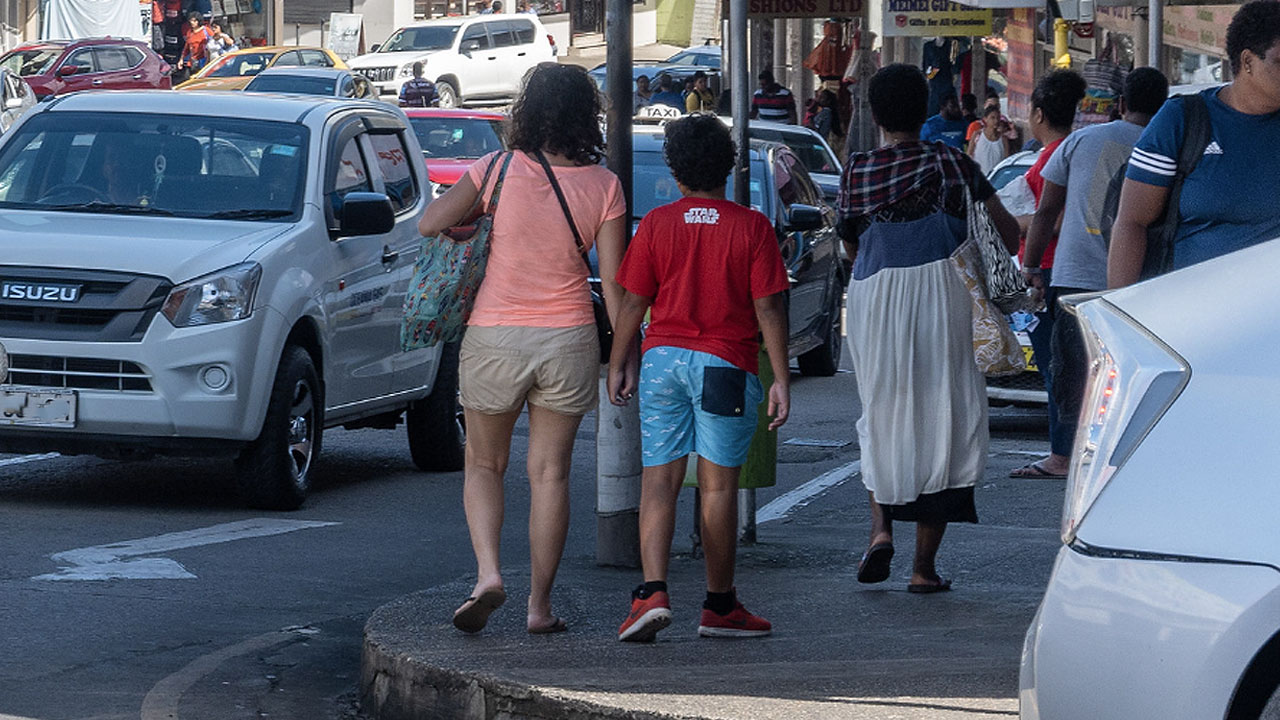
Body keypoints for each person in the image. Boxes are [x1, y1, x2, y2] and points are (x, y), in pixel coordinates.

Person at [416, 63, 627, 635]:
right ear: (588, 116)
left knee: (484, 464)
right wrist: (624, 357)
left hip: (496, 337)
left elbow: (429, 223)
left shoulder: (496, 170)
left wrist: (474, 222)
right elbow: (613, 288)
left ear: (527, 112)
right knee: (550, 474)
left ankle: (488, 574)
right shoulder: (604, 185)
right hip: (568, 338)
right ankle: (539, 607)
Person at [836, 64, 1020, 594]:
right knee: (946, 412)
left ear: (875, 115)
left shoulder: (857, 171)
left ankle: (879, 531)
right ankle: (923, 568)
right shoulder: (953, 162)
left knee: (882, 409)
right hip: (943, 291)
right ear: (926, 111)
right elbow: (1004, 231)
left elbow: (851, 243)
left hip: (874, 296)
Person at [608, 114, 790, 642]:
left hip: (662, 361)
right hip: (726, 367)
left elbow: (633, 302)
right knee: (717, 487)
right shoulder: (751, 226)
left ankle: (651, 593)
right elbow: (769, 308)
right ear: (730, 165)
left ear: (674, 169)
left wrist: (622, 361)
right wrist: (780, 376)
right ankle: (719, 605)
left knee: (659, 479)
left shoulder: (658, 225)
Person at [1023, 67, 1169, 479]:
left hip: (1074, 277)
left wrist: (1032, 265)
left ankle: (1063, 457)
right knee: (1132, 370)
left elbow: (1046, 210)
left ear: (1121, 104)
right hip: (1140, 278)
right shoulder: (1167, 143)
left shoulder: (1082, 140)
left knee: (1070, 371)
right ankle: (1127, 453)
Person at [1110, 0, 1280, 288]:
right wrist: (1120, 315)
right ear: (1248, 61)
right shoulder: (1183, 120)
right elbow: (1131, 222)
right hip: (1189, 313)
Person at [1008, 69, 1087, 480]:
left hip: (1050, 269)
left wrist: (1013, 224)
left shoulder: (1055, 156)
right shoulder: (1072, 149)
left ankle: (1061, 453)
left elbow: (1053, 218)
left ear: (1038, 112)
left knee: (1057, 367)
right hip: (1059, 268)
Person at [967, 104, 1012, 174]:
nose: (996, 121)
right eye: (992, 118)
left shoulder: (1003, 139)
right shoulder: (977, 135)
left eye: (998, 118)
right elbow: (969, 155)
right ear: (985, 119)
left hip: (997, 178)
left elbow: (1007, 160)